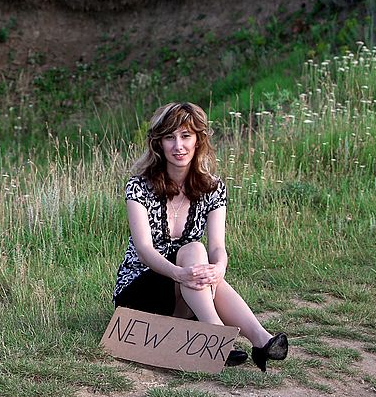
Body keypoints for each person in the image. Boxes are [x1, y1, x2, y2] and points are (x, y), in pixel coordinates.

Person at [112, 102, 287, 371]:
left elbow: (218, 246)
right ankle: (219, 334)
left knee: (201, 257)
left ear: (198, 141)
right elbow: (144, 249)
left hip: (188, 293)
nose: (178, 146)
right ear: (158, 144)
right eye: (170, 137)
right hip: (142, 290)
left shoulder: (213, 188)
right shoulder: (139, 186)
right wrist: (177, 273)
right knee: (193, 250)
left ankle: (259, 340)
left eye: (185, 136)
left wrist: (219, 269)